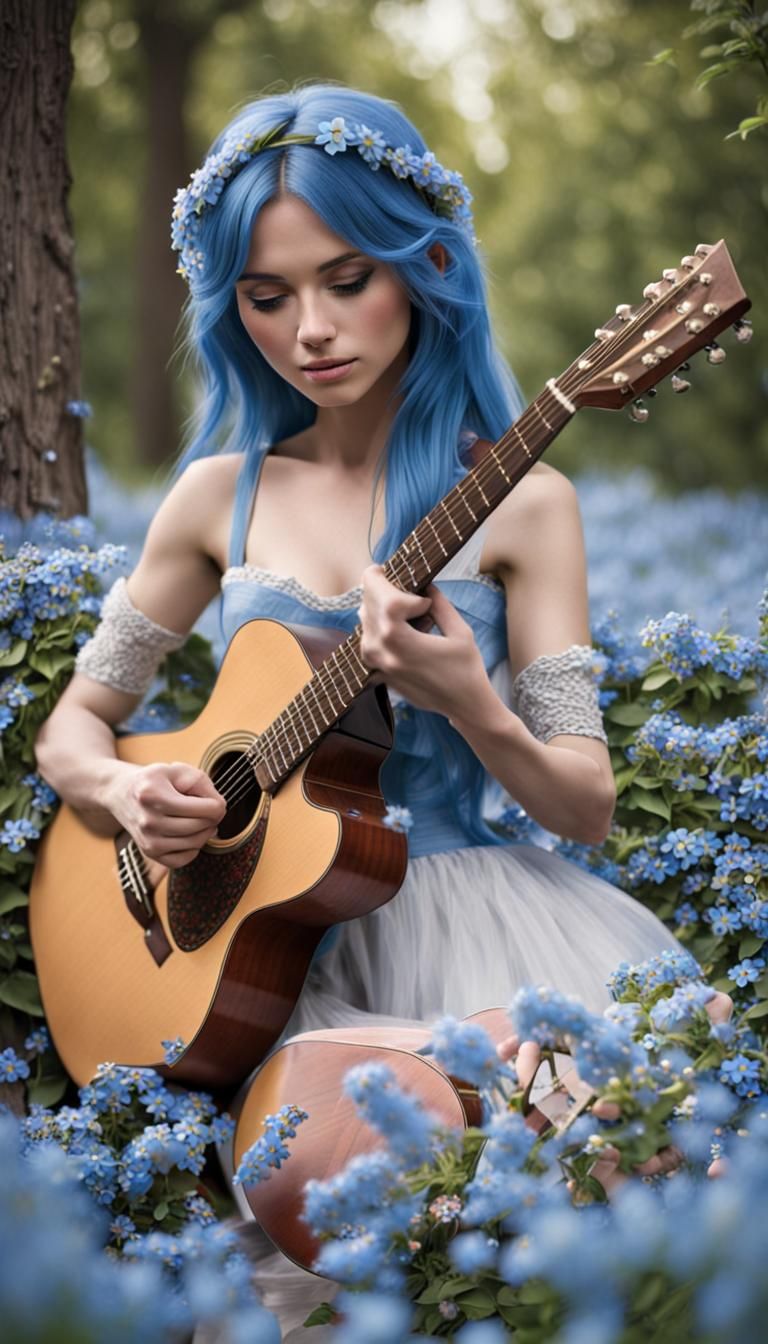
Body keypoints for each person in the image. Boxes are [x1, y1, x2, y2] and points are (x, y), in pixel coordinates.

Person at [35, 85, 679, 1337]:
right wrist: (125, 792)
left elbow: (586, 804)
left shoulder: (523, 503)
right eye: (267, 298)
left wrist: (475, 706)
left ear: (425, 266)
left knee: (608, 1144)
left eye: (346, 280)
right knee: (321, 1179)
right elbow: (76, 725)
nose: (311, 330)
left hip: (477, 920)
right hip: (263, 961)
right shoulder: (213, 499)